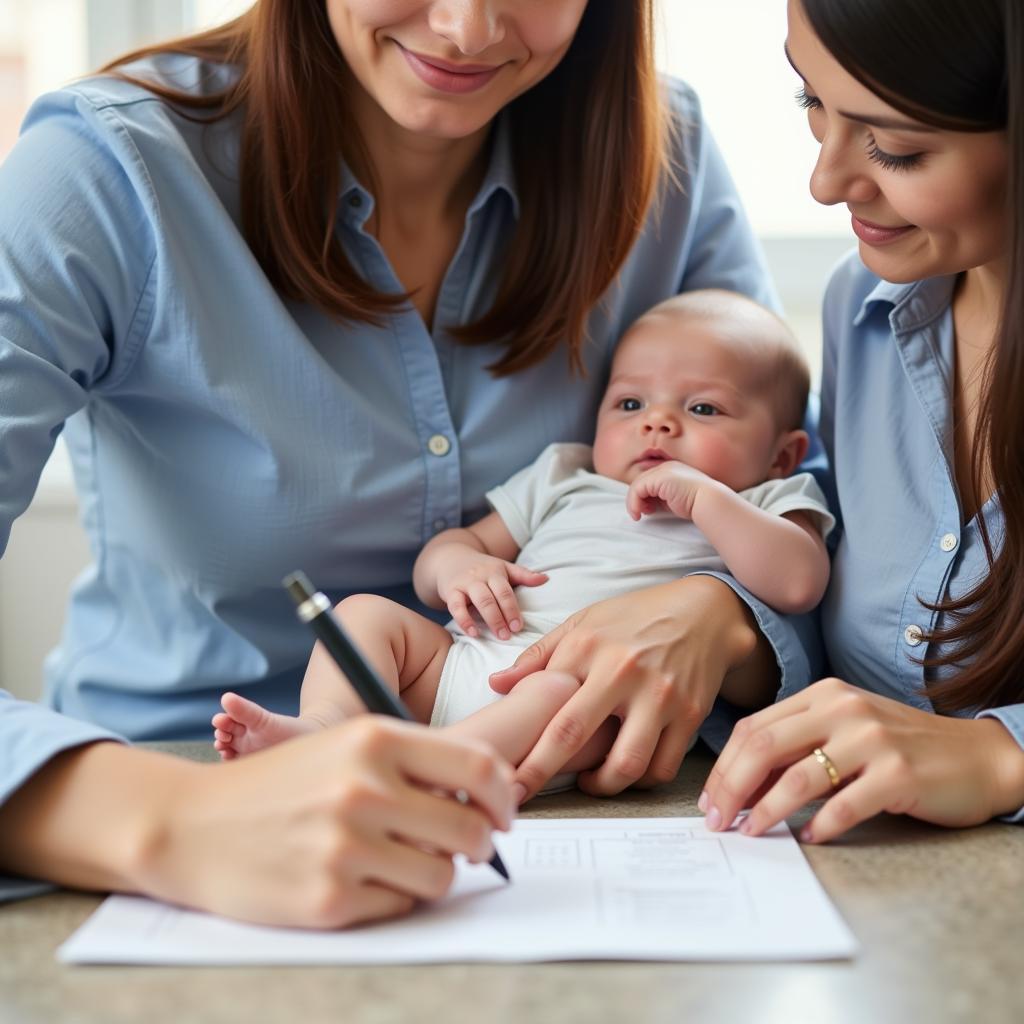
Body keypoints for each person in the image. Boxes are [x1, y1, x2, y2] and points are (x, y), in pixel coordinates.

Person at [0, 1, 789, 927]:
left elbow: (815, 521)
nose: (465, 28)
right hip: (180, 793)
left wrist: (725, 616)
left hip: (589, 814)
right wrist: (174, 819)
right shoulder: (109, 170)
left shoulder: (667, 158)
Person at [213, 290, 833, 788]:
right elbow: (452, 549)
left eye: (702, 409)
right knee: (362, 614)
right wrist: (457, 565)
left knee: (561, 689)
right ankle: (324, 728)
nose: (657, 421)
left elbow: (799, 583)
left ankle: (442, 767)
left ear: (783, 454)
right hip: (459, 664)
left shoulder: (763, 500)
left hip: (590, 700)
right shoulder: (565, 474)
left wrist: (707, 500)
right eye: (630, 402)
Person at [699, 0, 1024, 843]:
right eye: (809, 100)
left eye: (899, 149)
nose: (825, 181)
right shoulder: (864, 309)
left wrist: (998, 756)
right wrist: (722, 622)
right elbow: (842, 575)